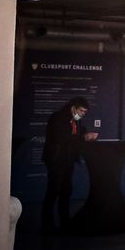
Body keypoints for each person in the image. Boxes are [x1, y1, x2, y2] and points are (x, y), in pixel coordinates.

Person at [41, 97, 96, 232]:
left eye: (84, 112)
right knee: (53, 190)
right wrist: (83, 137)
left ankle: (65, 220)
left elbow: (79, 134)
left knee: (66, 190)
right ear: (73, 108)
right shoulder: (57, 118)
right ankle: (47, 223)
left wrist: (87, 135)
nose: (83, 114)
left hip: (68, 161)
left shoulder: (76, 121)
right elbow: (61, 137)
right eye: (81, 111)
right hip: (56, 160)